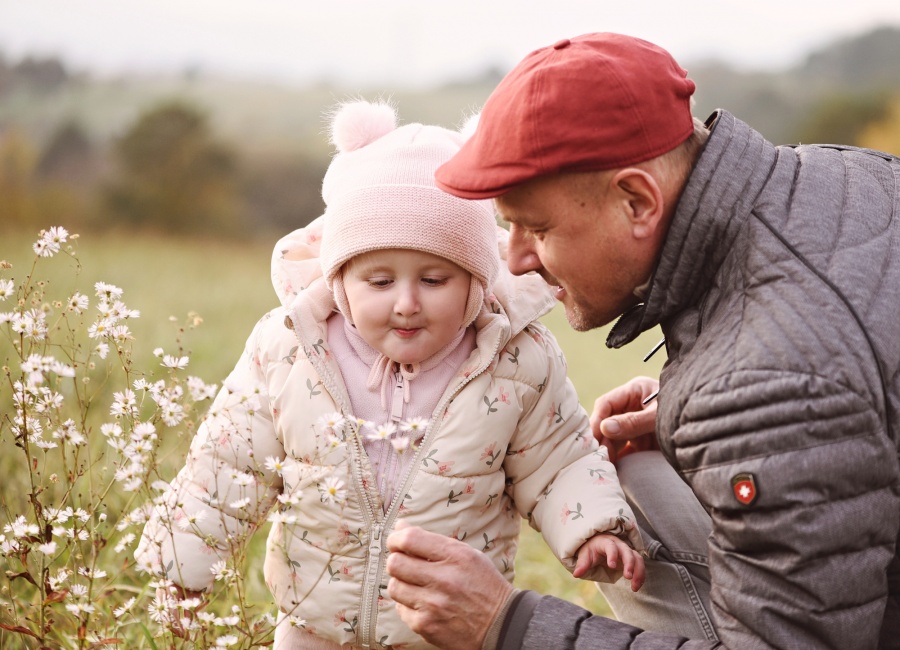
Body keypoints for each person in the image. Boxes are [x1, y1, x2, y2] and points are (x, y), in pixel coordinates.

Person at [384, 32, 900, 649]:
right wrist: (707, 417)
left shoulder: (763, 382)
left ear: (637, 200)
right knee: (637, 466)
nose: (515, 260)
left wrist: (507, 625)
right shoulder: (840, 176)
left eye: (536, 228)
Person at [134, 99, 647, 649]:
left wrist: (594, 526)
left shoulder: (514, 361)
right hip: (313, 628)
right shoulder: (291, 347)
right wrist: (182, 569)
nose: (406, 304)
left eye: (434, 280)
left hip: (451, 628)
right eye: (379, 282)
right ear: (339, 279)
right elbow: (227, 463)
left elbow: (558, 457)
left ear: (477, 282)